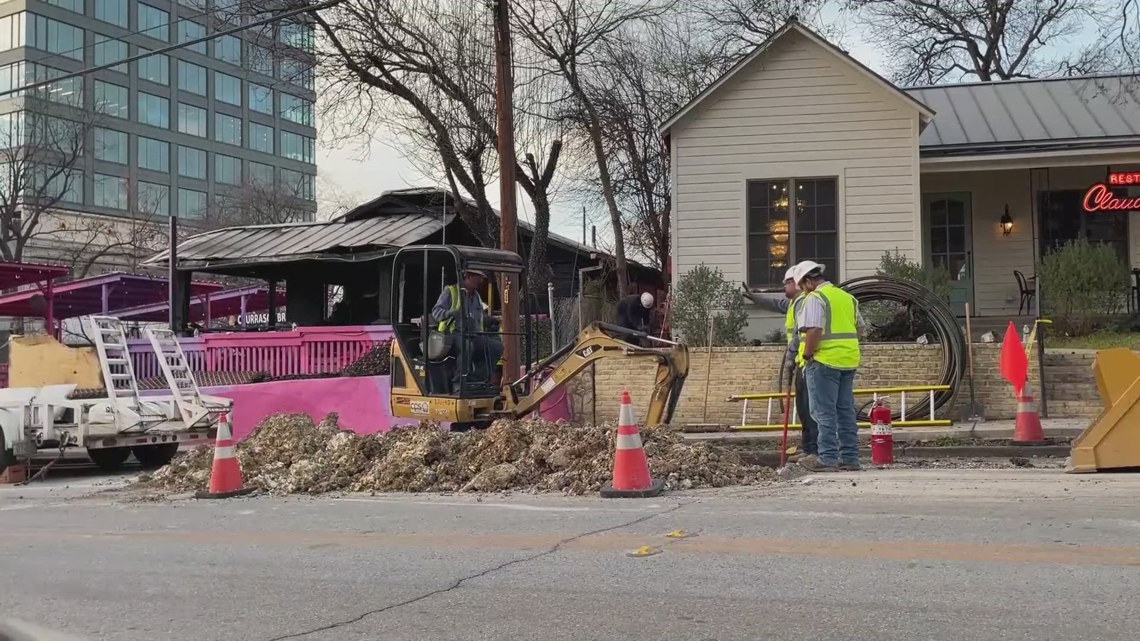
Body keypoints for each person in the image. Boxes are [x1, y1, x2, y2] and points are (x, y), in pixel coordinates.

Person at [793, 261, 865, 472]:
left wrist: (807, 354)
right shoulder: (846, 297)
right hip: (848, 360)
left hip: (823, 361)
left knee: (823, 412)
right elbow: (860, 328)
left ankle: (827, 457)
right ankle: (850, 458)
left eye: (802, 286)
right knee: (845, 411)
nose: (803, 291)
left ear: (808, 281)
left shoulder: (816, 298)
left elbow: (814, 329)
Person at [743, 270, 817, 462]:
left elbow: (801, 334)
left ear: (796, 283)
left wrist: (790, 357)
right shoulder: (794, 303)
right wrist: (756, 298)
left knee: (809, 409)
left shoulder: (803, 303)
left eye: (786, 282)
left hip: (806, 360)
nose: (784, 286)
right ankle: (809, 448)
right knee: (803, 409)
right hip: (802, 361)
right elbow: (777, 304)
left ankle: (814, 451)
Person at [431, 269, 504, 384]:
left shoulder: (476, 296)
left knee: (495, 347)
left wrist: (490, 320)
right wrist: (450, 313)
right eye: (478, 277)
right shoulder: (451, 291)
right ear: (469, 276)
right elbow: (436, 312)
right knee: (467, 346)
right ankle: (459, 382)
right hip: (452, 334)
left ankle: (479, 379)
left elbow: (478, 317)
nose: (481, 281)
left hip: (473, 335)